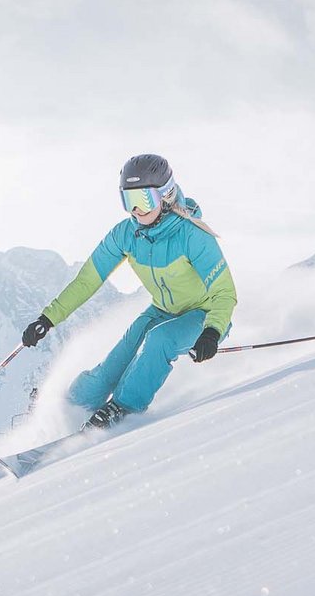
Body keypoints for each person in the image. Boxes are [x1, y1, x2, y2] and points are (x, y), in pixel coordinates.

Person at [19, 154, 238, 429]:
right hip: (162, 311)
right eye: (129, 200)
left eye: (144, 200)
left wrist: (212, 332)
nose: (136, 210)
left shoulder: (192, 235)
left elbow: (224, 292)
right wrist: (48, 318)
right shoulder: (126, 235)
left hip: (205, 316)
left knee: (160, 340)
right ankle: (71, 406)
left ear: (166, 195)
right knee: (114, 364)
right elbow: (88, 280)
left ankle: (124, 408)